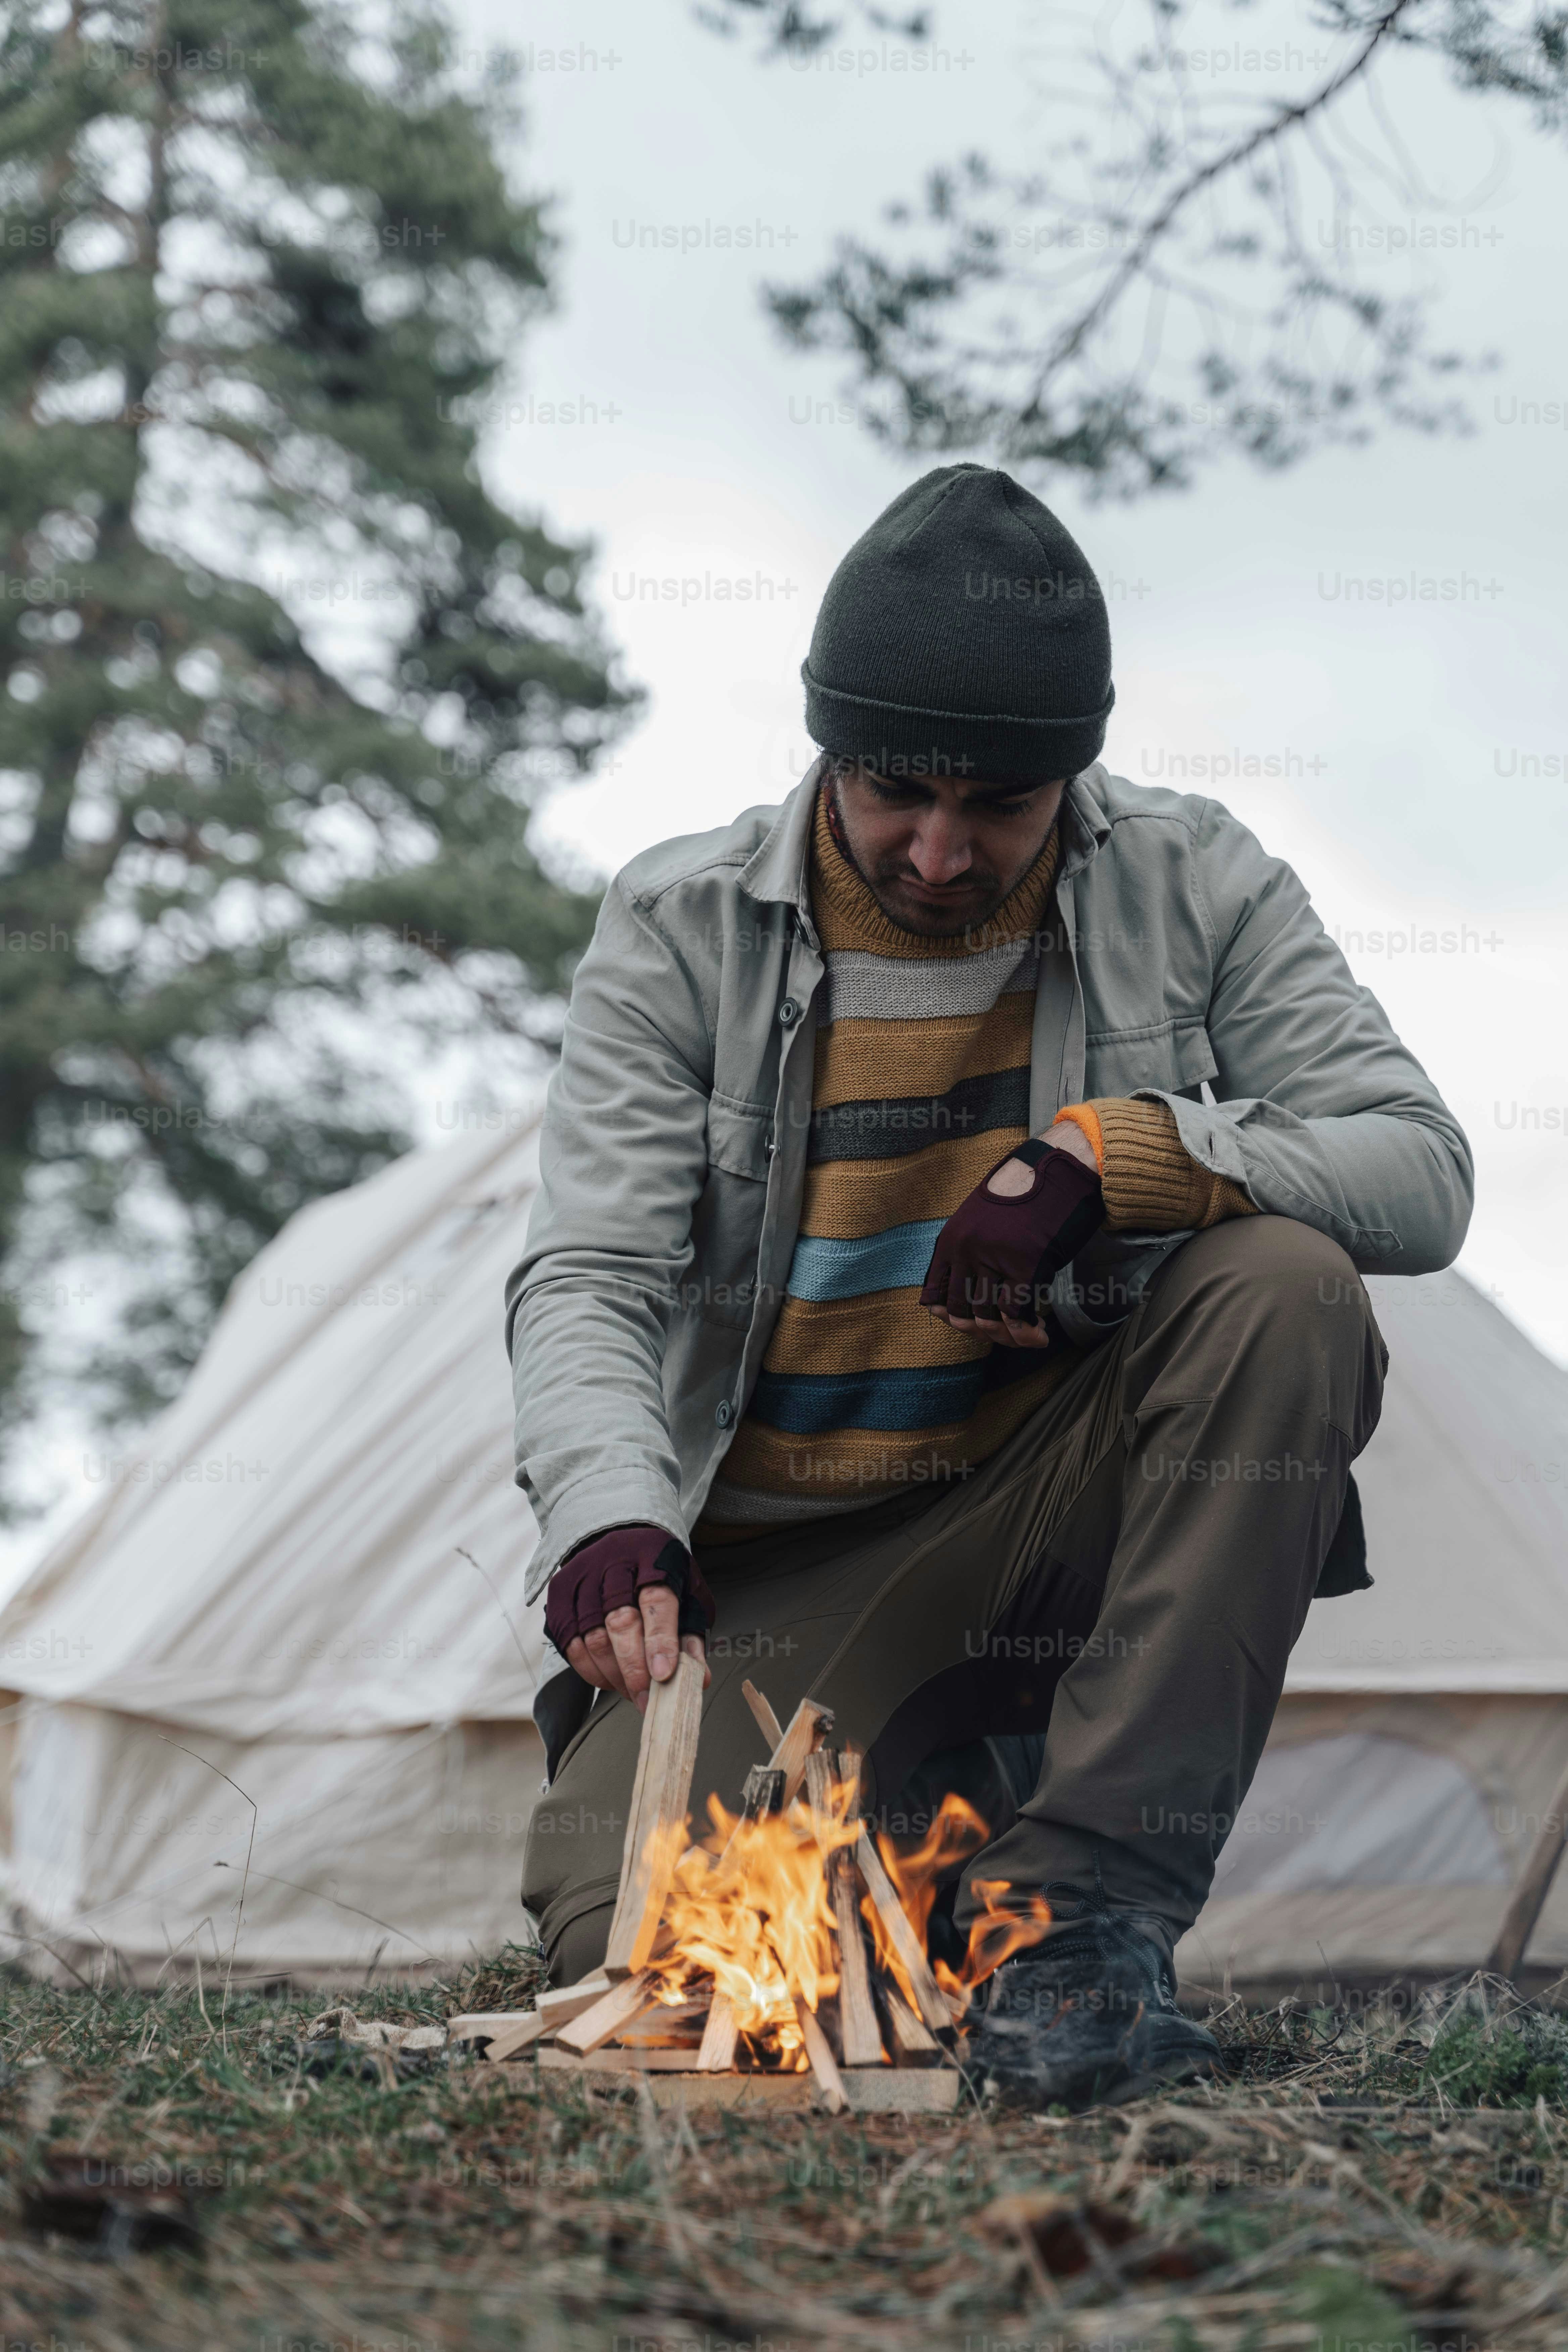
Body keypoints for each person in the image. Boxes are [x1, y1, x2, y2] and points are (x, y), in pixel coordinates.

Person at [504, 464, 1471, 2108]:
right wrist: (607, 1509)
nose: (939, 852)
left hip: (1058, 1516)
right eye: (894, 793)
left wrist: (1127, 1157)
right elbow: (591, 1271)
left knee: (1283, 1284)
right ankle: (944, 1841)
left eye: (998, 809)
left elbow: (1420, 1170)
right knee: (667, 1957)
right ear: (824, 743)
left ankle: (1080, 1905)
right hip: (780, 1574)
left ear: (1070, 784)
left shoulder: (1196, 881)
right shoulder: (677, 925)